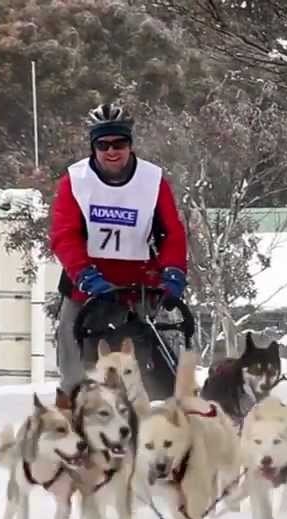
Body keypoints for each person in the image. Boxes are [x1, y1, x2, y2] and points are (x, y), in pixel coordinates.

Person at [49, 102, 189, 393]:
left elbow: (172, 232)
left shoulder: (152, 180)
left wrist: (173, 270)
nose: (112, 151)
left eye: (119, 143)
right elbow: (64, 235)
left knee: (155, 344)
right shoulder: (75, 181)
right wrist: (84, 275)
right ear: (93, 147)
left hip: (139, 281)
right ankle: (74, 400)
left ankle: (165, 397)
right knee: (69, 336)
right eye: (103, 144)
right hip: (87, 282)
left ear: (130, 144)